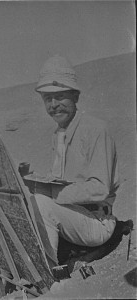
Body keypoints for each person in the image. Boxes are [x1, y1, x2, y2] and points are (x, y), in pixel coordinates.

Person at [33, 55, 121, 266]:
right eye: (47, 98)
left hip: (97, 221)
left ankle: (47, 274)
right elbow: (62, 180)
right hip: (75, 217)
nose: (54, 105)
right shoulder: (59, 134)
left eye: (60, 96)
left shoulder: (96, 129)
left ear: (76, 97)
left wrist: (54, 194)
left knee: (41, 203)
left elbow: (100, 189)